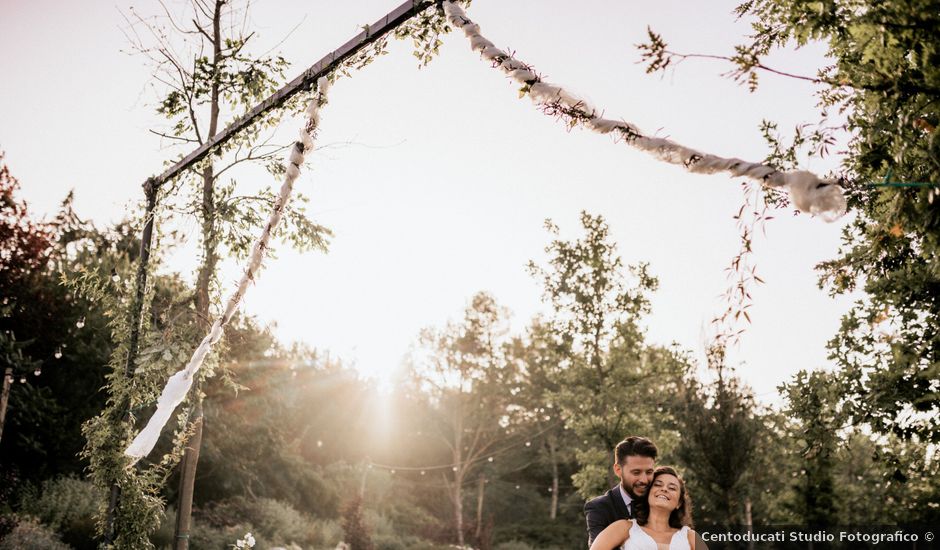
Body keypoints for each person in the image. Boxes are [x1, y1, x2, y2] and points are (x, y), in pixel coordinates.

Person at [589, 466, 702, 550]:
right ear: (647, 494)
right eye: (658, 484)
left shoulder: (691, 537)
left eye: (672, 488)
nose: (664, 489)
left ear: (679, 503)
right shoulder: (624, 527)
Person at [584, 436, 658, 545]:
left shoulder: (659, 502)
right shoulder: (599, 508)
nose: (644, 480)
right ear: (618, 470)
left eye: (649, 472)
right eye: (636, 472)